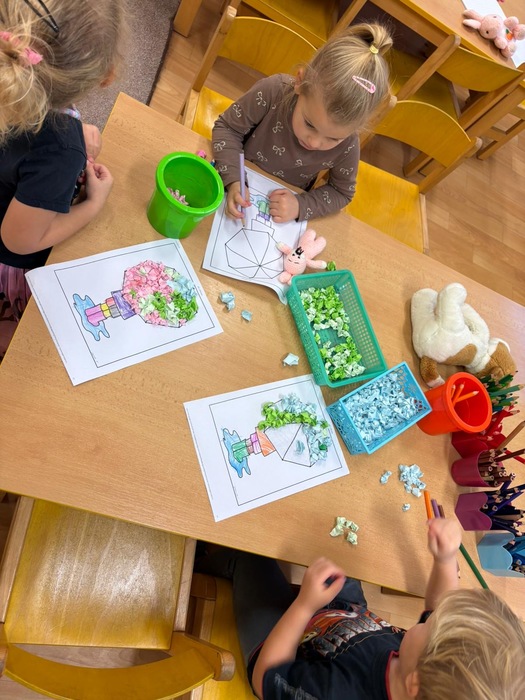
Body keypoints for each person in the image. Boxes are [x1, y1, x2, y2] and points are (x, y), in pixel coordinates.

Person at [195, 518, 525, 699]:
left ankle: (201, 562)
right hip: (344, 618)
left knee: (248, 558)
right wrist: (445, 559)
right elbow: (440, 609)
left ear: (414, 683)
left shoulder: (339, 693)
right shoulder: (426, 667)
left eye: (431, 625)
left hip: (279, 648)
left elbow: (267, 678)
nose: (433, 617)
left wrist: (304, 605)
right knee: (333, 543)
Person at [0, 0, 128, 360]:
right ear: (107, 76)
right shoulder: (60, 149)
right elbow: (19, 241)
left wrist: (74, 127)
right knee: (31, 346)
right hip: (8, 261)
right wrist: (93, 204)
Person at [212, 23, 392, 225]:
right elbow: (227, 129)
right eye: (309, 124)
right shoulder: (274, 91)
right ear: (300, 82)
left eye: (333, 139)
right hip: (240, 173)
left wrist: (301, 205)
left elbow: (341, 192)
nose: (314, 143)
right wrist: (233, 178)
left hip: (285, 205)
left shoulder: (349, 143)